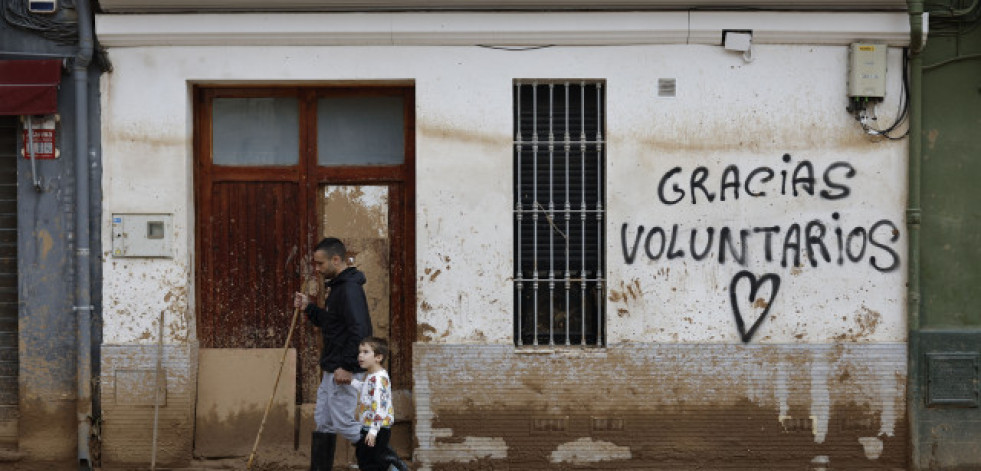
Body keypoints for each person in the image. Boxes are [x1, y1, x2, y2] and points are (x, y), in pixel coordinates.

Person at [294, 237, 373, 471]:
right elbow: (333, 324)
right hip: (333, 368)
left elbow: (360, 330)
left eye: (320, 264)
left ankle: (388, 464)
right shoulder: (338, 287)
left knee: (345, 423)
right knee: (324, 422)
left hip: (343, 369)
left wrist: (348, 365)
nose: (317, 269)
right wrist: (308, 307)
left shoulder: (348, 289)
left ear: (336, 259)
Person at [351, 337, 409, 471]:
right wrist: (351, 382)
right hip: (370, 426)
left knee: (371, 462)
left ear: (378, 357)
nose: (360, 355)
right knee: (370, 458)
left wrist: (373, 431)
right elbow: (367, 390)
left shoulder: (378, 379)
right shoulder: (373, 376)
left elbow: (380, 406)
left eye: (366, 352)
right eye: (360, 352)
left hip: (377, 428)